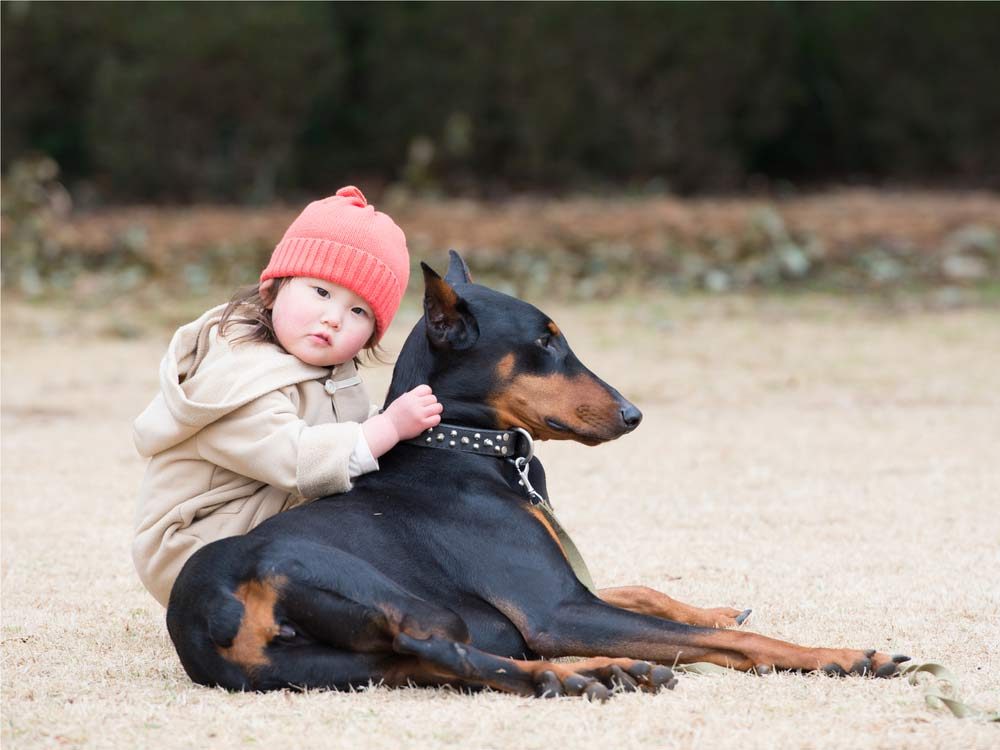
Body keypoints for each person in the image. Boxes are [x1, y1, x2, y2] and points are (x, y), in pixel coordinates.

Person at [131, 186, 442, 606]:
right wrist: (387, 427)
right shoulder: (239, 373)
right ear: (273, 289)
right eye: (321, 292)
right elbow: (296, 459)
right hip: (194, 546)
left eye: (358, 311)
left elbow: (344, 430)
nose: (333, 318)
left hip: (256, 523)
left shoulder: (324, 367)